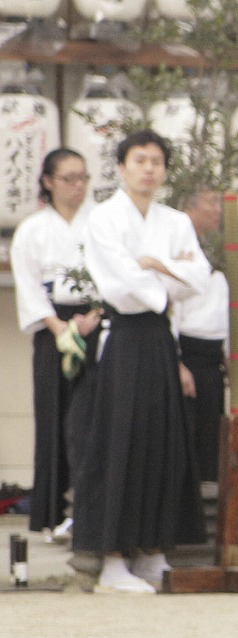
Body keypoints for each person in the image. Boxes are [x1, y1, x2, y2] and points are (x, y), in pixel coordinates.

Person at [74, 129, 210, 593]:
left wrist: (157, 264)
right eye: (140, 160)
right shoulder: (103, 218)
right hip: (125, 338)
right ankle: (112, 560)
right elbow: (121, 282)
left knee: (162, 442)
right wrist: (168, 275)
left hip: (160, 340)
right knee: (121, 443)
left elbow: (201, 278)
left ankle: (153, 552)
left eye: (157, 161)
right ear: (121, 167)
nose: (149, 168)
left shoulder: (175, 220)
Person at [11, 148, 100, 544]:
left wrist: (94, 315)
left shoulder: (100, 223)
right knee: (54, 417)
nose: (78, 186)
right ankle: (53, 511)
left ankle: (89, 510)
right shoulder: (32, 230)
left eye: (83, 177)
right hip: (52, 329)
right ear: (48, 181)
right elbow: (29, 287)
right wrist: (58, 326)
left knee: (92, 419)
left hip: (95, 322)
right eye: (69, 178)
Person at [171, 188, 229, 484]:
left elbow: (224, 307)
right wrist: (177, 364)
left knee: (210, 439)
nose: (218, 209)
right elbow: (169, 308)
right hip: (186, 355)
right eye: (211, 202)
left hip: (212, 358)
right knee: (185, 439)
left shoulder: (214, 247)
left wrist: (231, 356)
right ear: (189, 207)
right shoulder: (176, 245)